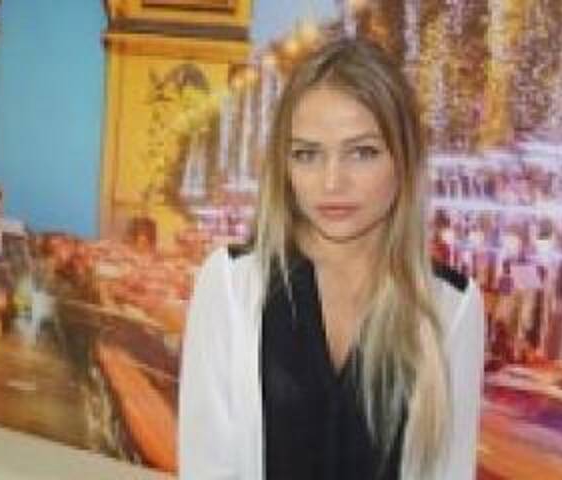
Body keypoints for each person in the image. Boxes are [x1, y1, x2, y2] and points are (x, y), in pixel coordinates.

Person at [179, 38, 485, 480]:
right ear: (285, 166)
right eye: (307, 154)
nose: (332, 182)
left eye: (362, 152)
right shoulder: (230, 285)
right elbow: (207, 466)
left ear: (404, 160)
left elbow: (448, 471)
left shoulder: (452, 305)